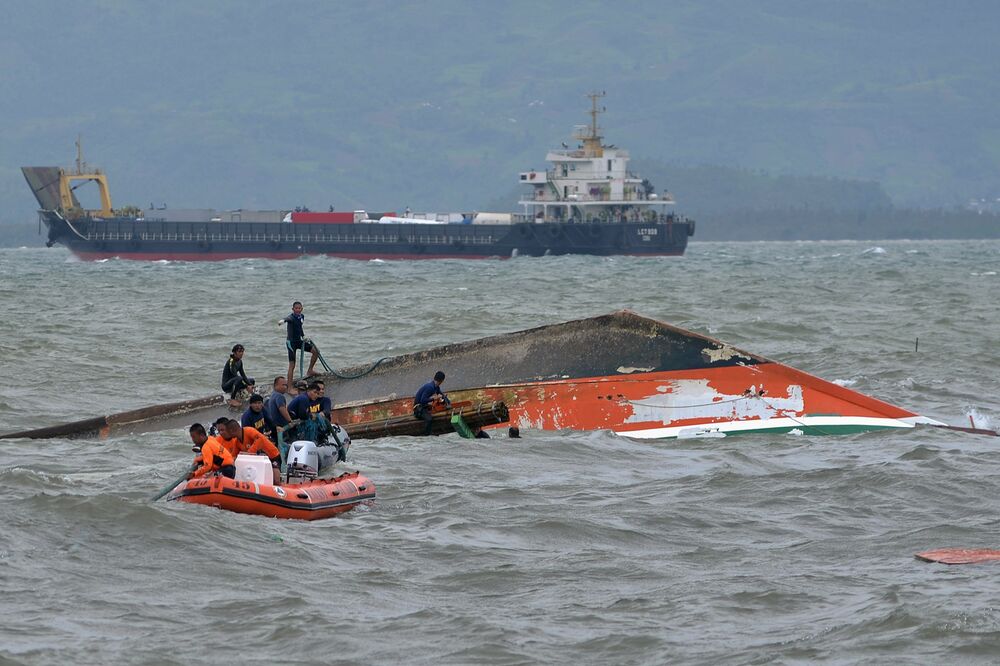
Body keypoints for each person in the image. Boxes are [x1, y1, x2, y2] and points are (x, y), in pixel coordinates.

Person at [218, 419, 282, 483]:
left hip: (273, 456)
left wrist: (249, 453)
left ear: (232, 431)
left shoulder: (249, 430)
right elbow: (233, 456)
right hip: (259, 461)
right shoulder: (237, 442)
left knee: (276, 479)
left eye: (227, 431)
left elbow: (259, 439)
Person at [279, 301, 320, 385]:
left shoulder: (302, 316)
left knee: (316, 351)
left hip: (299, 341)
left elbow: (299, 327)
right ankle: (289, 387)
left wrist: (303, 336)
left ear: (302, 309)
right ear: (293, 309)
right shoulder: (291, 317)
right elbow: (287, 318)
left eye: (299, 308)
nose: (298, 310)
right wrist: (283, 320)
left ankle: (310, 370)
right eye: (296, 308)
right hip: (291, 343)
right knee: (292, 365)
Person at [413, 371, 450, 436]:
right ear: (442, 381)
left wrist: (448, 402)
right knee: (429, 419)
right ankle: (427, 435)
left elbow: (442, 395)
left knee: (436, 410)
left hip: (424, 406)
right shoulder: (430, 387)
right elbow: (422, 400)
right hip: (418, 409)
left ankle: (434, 432)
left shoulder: (436, 387)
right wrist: (434, 398)